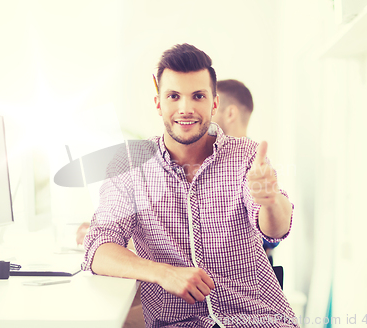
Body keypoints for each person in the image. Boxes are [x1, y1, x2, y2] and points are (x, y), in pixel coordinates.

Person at [81, 44, 298, 328]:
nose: (186, 109)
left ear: (214, 103)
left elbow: (276, 229)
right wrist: (164, 273)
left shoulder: (246, 154)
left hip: (258, 320)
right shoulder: (129, 165)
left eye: (198, 96)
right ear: (158, 103)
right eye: (173, 96)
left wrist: (270, 201)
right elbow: (98, 248)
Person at [212, 79, 280, 261]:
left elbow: (271, 236)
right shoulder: (208, 161)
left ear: (230, 113)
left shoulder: (257, 166)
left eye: (213, 107)